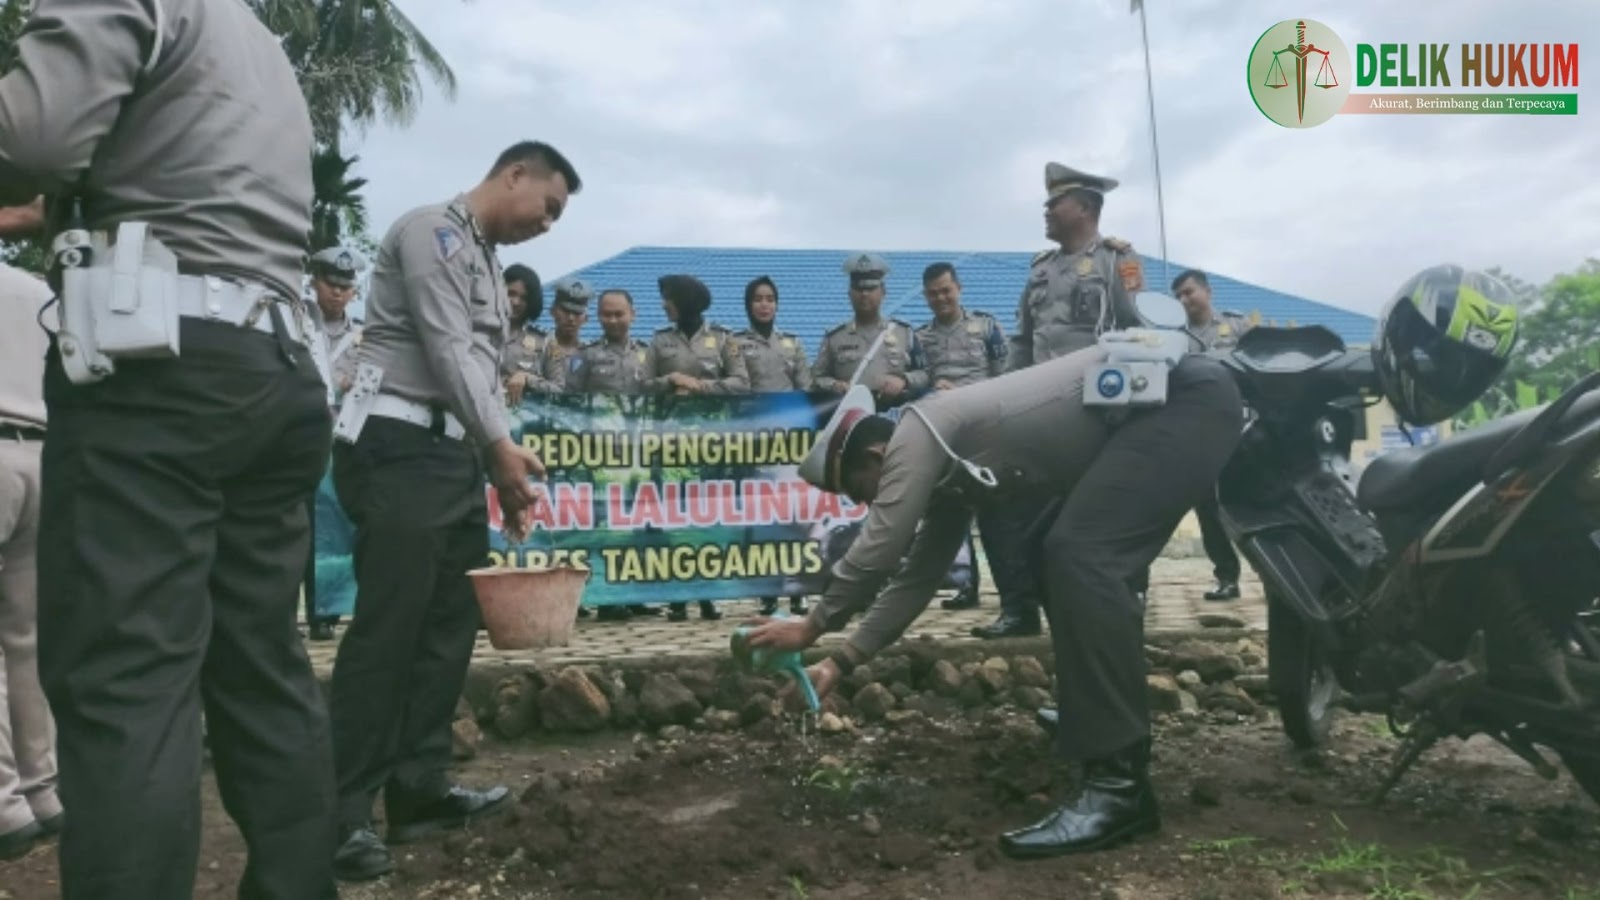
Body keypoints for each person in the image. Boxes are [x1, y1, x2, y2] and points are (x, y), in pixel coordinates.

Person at [3, 2, 340, 897]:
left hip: (159, 376)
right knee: (261, 666)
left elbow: (33, 136)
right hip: (273, 363)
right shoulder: (254, 38)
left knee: (127, 678)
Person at [744, 340, 1243, 859]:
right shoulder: (946, 465)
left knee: (1082, 557)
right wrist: (839, 662)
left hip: (1182, 401)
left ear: (875, 456)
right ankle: (1094, 718)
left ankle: (1119, 788)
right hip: (1156, 411)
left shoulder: (919, 430)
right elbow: (917, 578)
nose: (862, 503)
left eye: (856, 489)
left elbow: (881, 547)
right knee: (1049, 554)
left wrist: (813, 625)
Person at [326, 141, 576, 881]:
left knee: (447, 626)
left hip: (450, 453)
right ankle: (341, 815)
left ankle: (419, 789)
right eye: (548, 207)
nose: (546, 225)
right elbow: (446, 347)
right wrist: (500, 449)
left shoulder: (488, 264)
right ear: (515, 173)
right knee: (390, 629)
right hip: (397, 442)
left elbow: (481, 372)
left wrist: (499, 468)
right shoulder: (431, 231)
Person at [914, 262, 1042, 630]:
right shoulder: (920, 338)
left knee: (999, 524)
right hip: (945, 441)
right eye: (933, 293)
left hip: (988, 437)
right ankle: (966, 588)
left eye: (946, 290)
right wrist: (930, 388)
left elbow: (1008, 377)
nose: (941, 298)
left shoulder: (986, 327)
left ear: (959, 288)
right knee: (947, 520)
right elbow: (915, 380)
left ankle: (1018, 609)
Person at [0, 234, 61, 862]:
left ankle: (4, 804)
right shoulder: (35, 289)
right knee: (28, 638)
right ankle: (43, 791)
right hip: (42, 455)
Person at [645, 274, 748, 623]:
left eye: (669, 298)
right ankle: (677, 596)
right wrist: (670, 381)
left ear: (686, 301)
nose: (664, 305)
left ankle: (708, 594)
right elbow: (640, 386)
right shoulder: (659, 341)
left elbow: (741, 383)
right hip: (669, 444)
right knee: (673, 521)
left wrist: (700, 387)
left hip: (712, 445)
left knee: (708, 520)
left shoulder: (724, 339)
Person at [734, 275, 812, 617]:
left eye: (769, 298)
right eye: (757, 299)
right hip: (754, 441)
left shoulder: (792, 344)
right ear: (748, 305)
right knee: (763, 517)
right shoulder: (735, 344)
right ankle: (767, 590)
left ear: (777, 304)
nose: (764, 304)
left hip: (791, 442)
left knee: (795, 513)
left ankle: (799, 589)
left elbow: (807, 388)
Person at [303, 245, 368, 641]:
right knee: (296, 526)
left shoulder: (362, 337)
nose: (338, 292)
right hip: (298, 436)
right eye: (331, 284)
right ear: (315, 283)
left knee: (333, 527)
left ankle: (324, 612)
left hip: (342, 442)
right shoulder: (299, 324)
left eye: (346, 286)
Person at [812, 252, 928, 410]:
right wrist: (834, 385)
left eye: (871, 288)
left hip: (895, 414)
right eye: (858, 288)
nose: (864, 294)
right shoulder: (834, 337)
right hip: (850, 416)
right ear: (849, 294)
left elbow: (925, 374)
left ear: (883, 292)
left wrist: (905, 380)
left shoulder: (904, 332)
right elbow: (816, 379)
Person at [500, 263, 549, 406]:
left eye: (524, 298)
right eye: (511, 294)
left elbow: (559, 387)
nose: (516, 302)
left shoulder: (544, 342)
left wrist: (527, 378)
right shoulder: (477, 331)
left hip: (522, 416)